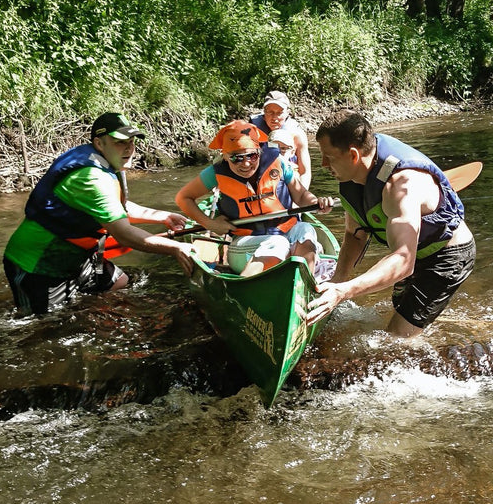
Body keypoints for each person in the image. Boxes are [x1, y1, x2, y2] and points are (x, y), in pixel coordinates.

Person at [3, 112, 194, 315]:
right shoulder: (91, 178)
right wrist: (176, 248)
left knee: (119, 283)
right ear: (99, 144)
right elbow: (124, 234)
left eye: (131, 142)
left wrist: (161, 217)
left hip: (77, 258)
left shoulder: (105, 163)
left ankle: (95, 317)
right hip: (38, 265)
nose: (129, 148)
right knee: (43, 326)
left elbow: (115, 207)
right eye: (120, 142)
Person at [307, 108, 476, 337]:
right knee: (401, 311)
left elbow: (404, 261)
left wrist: (344, 291)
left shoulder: (401, 184)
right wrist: (336, 283)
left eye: (329, 157)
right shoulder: (353, 177)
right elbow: (355, 235)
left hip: (446, 254)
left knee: (395, 340)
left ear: (354, 155)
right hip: (414, 251)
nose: (323, 164)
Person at [175, 120, 334, 277]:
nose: (245, 163)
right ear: (225, 156)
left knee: (305, 229)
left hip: (285, 231)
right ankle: (244, 286)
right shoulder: (215, 173)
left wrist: (316, 202)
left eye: (252, 155)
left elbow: (300, 195)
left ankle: (302, 282)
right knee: (277, 243)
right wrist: (210, 224)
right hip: (245, 242)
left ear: (259, 151)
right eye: (236, 157)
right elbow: (183, 198)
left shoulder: (277, 162)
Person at [250, 90, 312, 188]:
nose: (275, 118)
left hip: (288, 186)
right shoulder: (252, 132)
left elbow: (305, 172)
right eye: (270, 112)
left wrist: (301, 196)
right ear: (264, 112)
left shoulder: (297, 135)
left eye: (279, 113)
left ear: (287, 113)